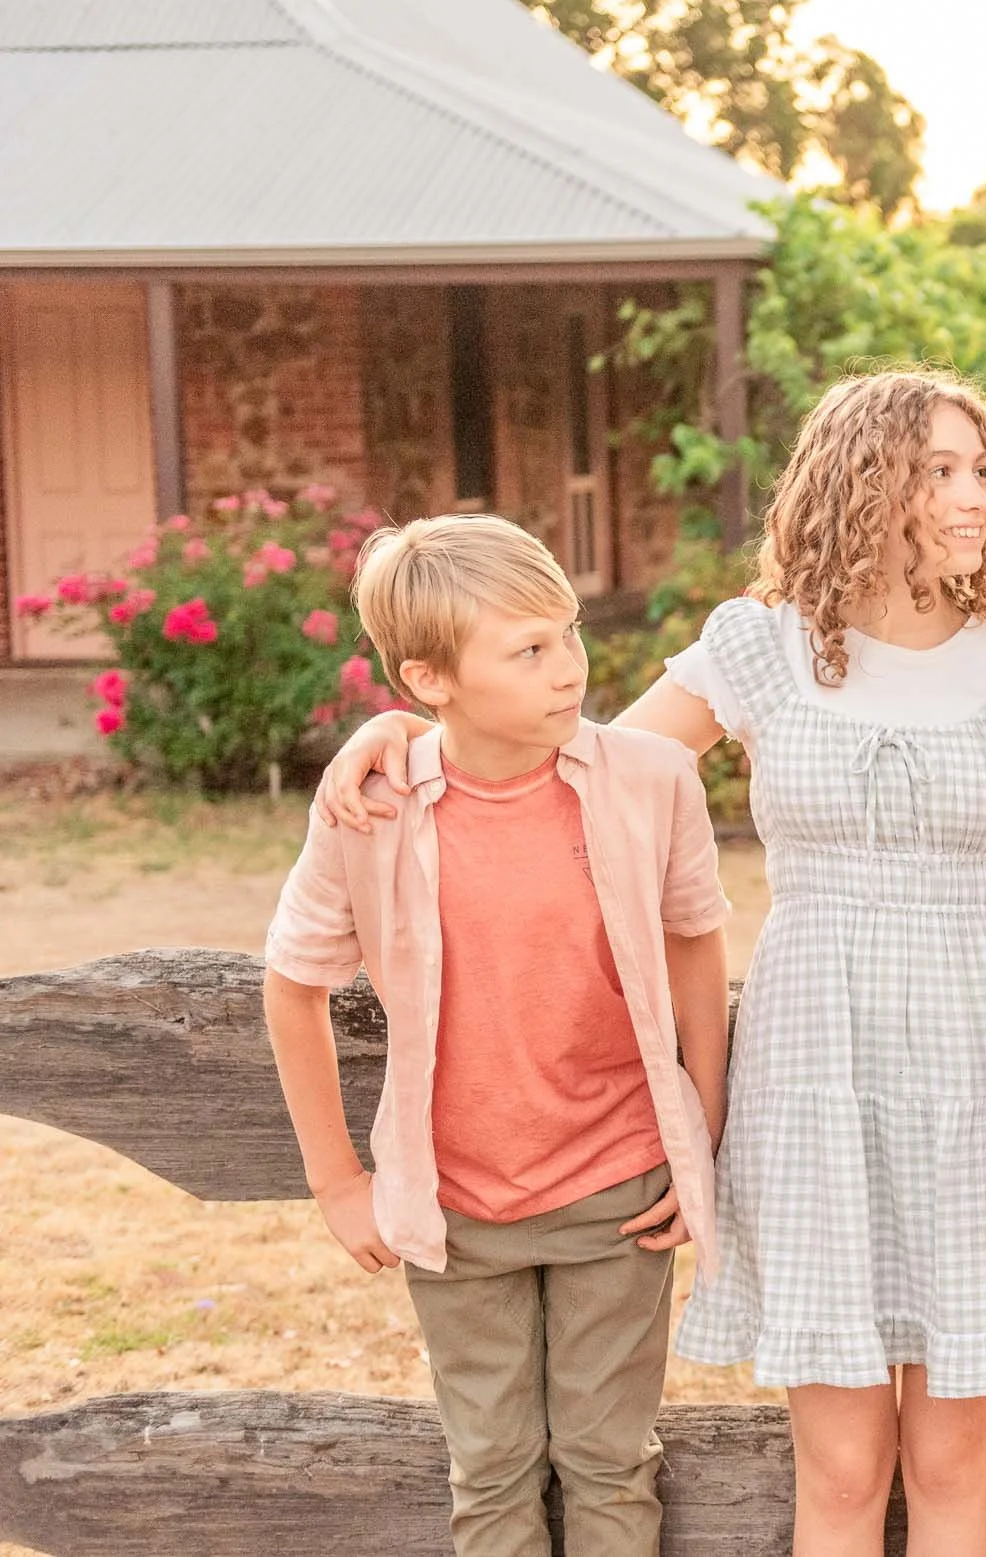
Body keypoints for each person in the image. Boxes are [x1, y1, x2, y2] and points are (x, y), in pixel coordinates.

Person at [312, 371, 986, 1557]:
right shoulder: (760, 649)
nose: (974, 495)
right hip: (809, 1078)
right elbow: (570, 751)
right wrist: (406, 728)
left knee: (951, 1454)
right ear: (859, 482)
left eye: (982, 468)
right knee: (838, 1460)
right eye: (938, 469)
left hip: (972, 1080)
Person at [264, 513, 732, 1557]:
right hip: (455, 1209)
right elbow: (291, 987)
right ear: (429, 680)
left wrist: (698, 1120)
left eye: (566, 634)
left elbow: (695, 942)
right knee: (491, 1471)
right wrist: (339, 1181)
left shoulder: (651, 781)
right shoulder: (371, 808)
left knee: (613, 1465)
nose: (568, 668)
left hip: (617, 1191)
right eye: (529, 650)